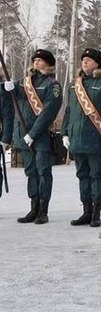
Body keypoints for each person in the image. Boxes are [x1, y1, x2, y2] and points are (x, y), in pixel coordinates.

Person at [3, 49, 62, 224]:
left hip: (41, 136)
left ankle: (43, 210)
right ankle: (33, 207)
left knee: (43, 171)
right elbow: (10, 97)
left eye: (41, 60)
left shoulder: (53, 85)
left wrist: (33, 134)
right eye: (35, 60)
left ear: (48, 64)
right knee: (31, 172)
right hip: (23, 134)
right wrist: (6, 87)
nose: (36, 62)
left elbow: (48, 113)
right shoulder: (24, 83)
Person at [62, 48, 101, 228]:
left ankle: (96, 212)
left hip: (95, 139)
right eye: (83, 59)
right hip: (76, 139)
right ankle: (86, 211)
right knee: (82, 175)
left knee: (96, 176)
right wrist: (64, 133)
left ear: (97, 64)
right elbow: (68, 112)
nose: (84, 62)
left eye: (89, 60)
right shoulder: (73, 85)